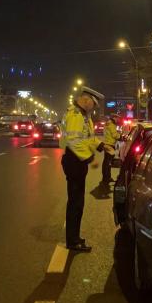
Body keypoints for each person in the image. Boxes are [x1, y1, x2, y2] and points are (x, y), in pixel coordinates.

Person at [59, 86, 105, 252]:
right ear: (86, 100)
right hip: (74, 160)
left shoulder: (84, 117)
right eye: (93, 104)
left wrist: (100, 145)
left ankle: (75, 237)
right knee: (75, 203)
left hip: (76, 161)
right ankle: (73, 241)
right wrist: (89, 158)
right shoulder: (76, 116)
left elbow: (87, 137)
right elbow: (74, 141)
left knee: (78, 201)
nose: (94, 107)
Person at [100, 113, 121, 185]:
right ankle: (106, 179)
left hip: (107, 143)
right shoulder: (111, 125)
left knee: (106, 162)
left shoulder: (108, 123)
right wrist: (121, 137)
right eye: (118, 118)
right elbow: (115, 135)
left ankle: (107, 177)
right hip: (110, 144)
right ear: (114, 118)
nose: (118, 120)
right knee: (107, 163)